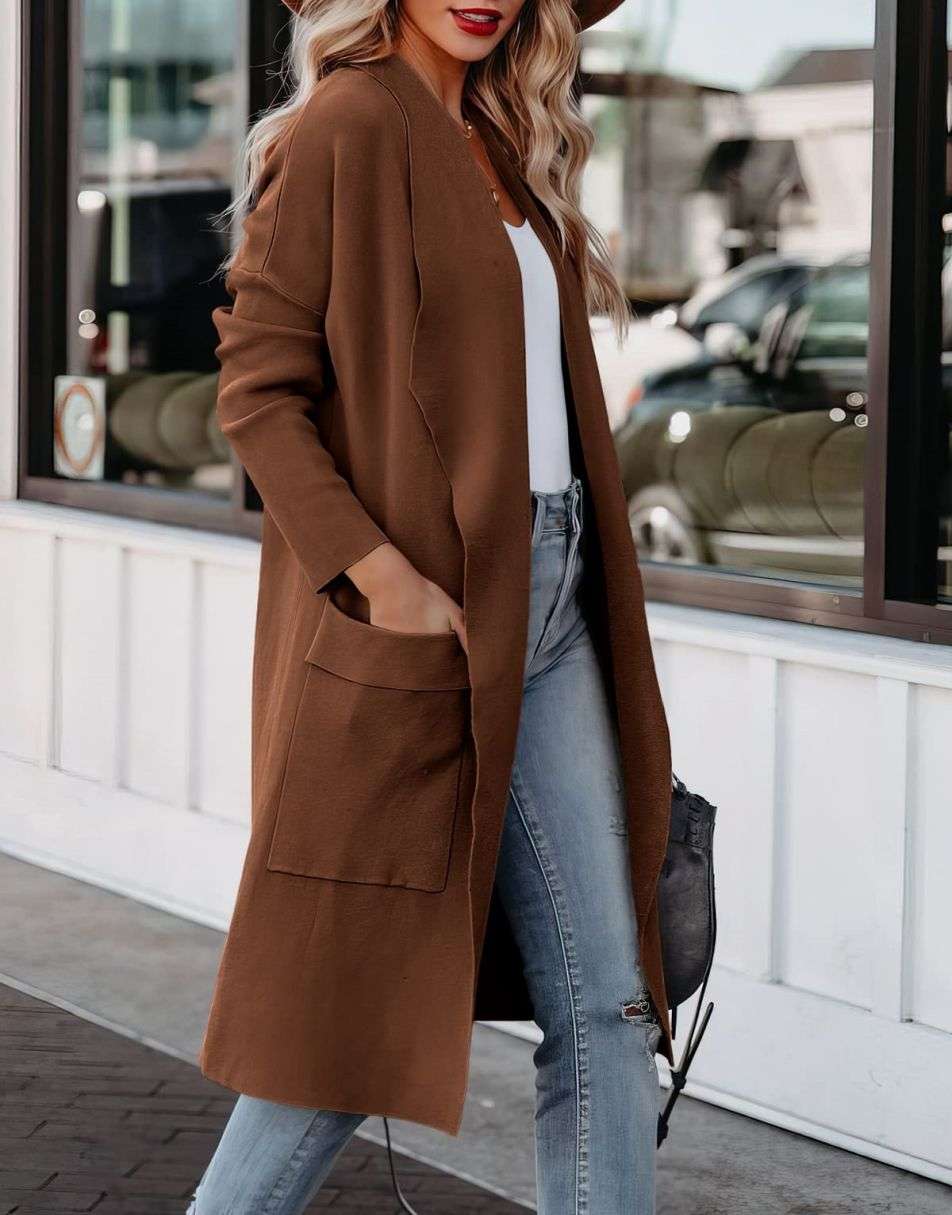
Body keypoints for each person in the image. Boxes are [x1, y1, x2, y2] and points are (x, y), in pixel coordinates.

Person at [189, 1, 673, 1211]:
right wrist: (376, 571)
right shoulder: (350, 123)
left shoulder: (504, 142)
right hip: (430, 612)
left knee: (608, 1005)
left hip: (555, 597)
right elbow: (256, 387)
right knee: (347, 1020)